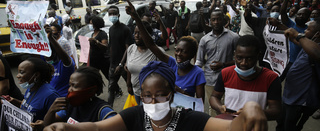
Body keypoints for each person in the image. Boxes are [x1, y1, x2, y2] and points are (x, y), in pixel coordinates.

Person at [43, 60, 268, 131]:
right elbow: (96, 128)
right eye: (147, 95)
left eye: (160, 95)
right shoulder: (134, 115)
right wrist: (67, 127)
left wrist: (250, 110)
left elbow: (231, 128)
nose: (152, 102)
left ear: (171, 95)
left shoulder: (190, 119)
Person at [126, 0, 205, 102]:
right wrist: (136, 17)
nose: (178, 54)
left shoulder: (198, 73)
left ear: (192, 54)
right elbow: (151, 45)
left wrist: (178, 91)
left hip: (185, 114)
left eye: (184, 51)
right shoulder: (172, 63)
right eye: (177, 50)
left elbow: (200, 103)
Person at [209, 35, 282, 120]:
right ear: (234, 55)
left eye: (249, 59)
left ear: (258, 56)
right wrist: (219, 107)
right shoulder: (225, 73)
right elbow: (214, 97)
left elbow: (276, 111)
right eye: (239, 58)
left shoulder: (271, 78)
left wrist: (254, 113)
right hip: (228, 126)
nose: (243, 63)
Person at [31, 66, 116, 130]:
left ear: (91, 90)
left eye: (74, 86)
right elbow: (48, 125)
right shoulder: (70, 105)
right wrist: (51, 110)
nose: (69, 89)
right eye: (69, 85)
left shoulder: (102, 110)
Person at [276, 18, 320, 131]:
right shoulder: (309, 43)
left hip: (300, 99)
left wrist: (299, 35)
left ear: (317, 33)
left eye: (308, 29)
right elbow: (297, 40)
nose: (304, 31)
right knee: (281, 120)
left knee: (289, 125)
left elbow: (316, 53)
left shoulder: (315, 48)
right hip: (290, 94)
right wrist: (280, 26)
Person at [195, 10, 239, 116]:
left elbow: (240, 60)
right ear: (210, 21)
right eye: (213, 20)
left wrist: (223, 65)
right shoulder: (204, 40)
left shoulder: (233, 37)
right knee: (213, 107)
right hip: (210, 79)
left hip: (229, 78)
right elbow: (199, 61)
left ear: (223, 20)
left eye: (219, 19)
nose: (216, 22)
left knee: (228, 106)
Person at [119, 21, 165, 104]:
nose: (136, 36)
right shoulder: (131, 49)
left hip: (150, 94)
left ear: (148, 35)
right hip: (136, 91)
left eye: (139, 33)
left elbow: (165, 73)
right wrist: (129, 85)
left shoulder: (157, 52)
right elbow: (129, 67)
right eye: (135, 33)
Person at [7, 57, 59, 122]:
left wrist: (42, 125)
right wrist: (15, 102)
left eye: (22, 72)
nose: (18, 76)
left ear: (36, 75)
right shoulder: (30, 88)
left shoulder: (50, 95)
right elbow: (29, 107)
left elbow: (58, 120)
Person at [280, 0, 311, 81]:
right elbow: (282, 12)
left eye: (303, 15)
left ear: (308, 18)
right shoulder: (291, 25)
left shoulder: (308, 31)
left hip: (297, 63)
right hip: (285, 60)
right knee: (278, 80)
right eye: (299, 14)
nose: (301, 16)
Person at [108, 5, 134, 106]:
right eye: (110, 14)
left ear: (118, 15)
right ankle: (108, 111)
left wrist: (120, 64)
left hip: (123, 65)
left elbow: (128, 48)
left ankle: (136, 107)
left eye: (114, 13)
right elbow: (111, 46)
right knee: (111, 88)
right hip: (113, 65)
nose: (112, 16)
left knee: (130, 87)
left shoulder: (125, 29)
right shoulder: (110, 29)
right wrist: (111, 62)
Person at [47, 24, 75, 97]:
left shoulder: (64, 64)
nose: (46, 56)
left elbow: (68, 58)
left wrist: (51, 38)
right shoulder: (46, 63)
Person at [88, 16, 110, 82]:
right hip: (94, 61)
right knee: (93, 77)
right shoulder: (93, 34)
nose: (90, 25)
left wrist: (96, 42)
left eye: (91, 24)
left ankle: (116, 90)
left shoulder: (102, 34)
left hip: (102, 60)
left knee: (108, 76)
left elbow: (105, 46)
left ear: (95, 24)